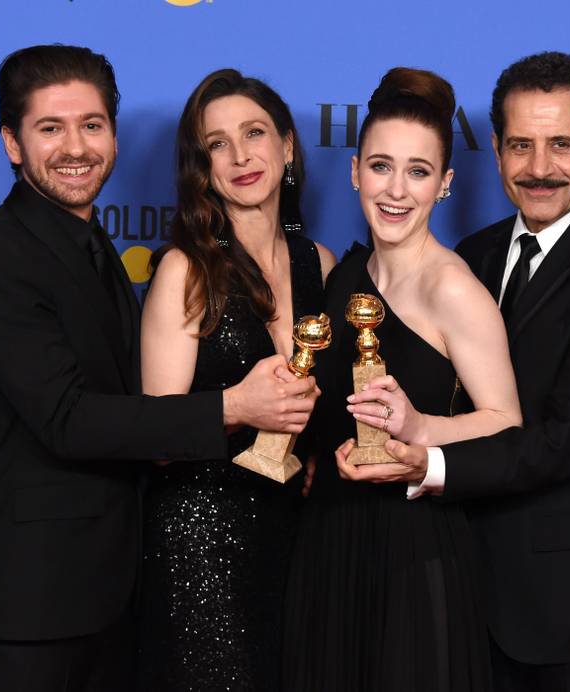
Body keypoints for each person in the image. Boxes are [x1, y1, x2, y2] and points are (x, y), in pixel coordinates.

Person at [0, 46, 318, 692]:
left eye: (91, 125)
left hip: (111, 593)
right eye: (49, 129)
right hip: (32, 600)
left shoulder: (89, 249)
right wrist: (233, 407)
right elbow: (67, 419)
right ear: (11, 143)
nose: (75, 147)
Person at [346, 52, 570, 692]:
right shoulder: (475, 255)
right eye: (520, 145)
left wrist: (430, 462)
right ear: (496, 151)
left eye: (561, 145)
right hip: (469, 597)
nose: (539, 168)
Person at [282, 67, 521, 692]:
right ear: (355, 170)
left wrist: (421, 430)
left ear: (444, 185)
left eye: (418, 171)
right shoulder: (344, 277)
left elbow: (506, 423)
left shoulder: (454, 288)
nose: (396, 190)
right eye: (382, 166)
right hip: (329, 540)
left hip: (414, 547)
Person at [138, 69, 334, 692]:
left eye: (254, 133)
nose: (241, 155)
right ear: (201, 167)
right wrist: (241, 405)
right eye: (217, 143)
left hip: (296, 541)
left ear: (288, 146)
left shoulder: (321, 266)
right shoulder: (187, 271)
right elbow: (158, 435)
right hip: (202, 545)